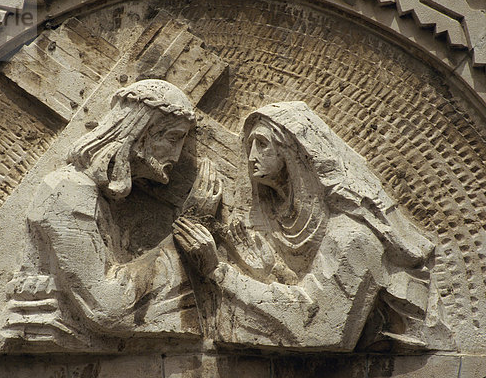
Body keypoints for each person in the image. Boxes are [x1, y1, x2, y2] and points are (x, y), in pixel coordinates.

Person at [174, 101, 440, 350]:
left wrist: (218, 272)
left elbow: (317, 326)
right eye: (250, 145)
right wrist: (266, 270)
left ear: (294, 152)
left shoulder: (354, 236)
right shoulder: (277, 226)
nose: (251, 156)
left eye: (263, 144)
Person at [2, 80, 205, 345]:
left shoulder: (97, 196)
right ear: (139, 132)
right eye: (173, 138)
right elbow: (108, 306)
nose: (177, 156)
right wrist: (186, 236)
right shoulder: (67, 191)